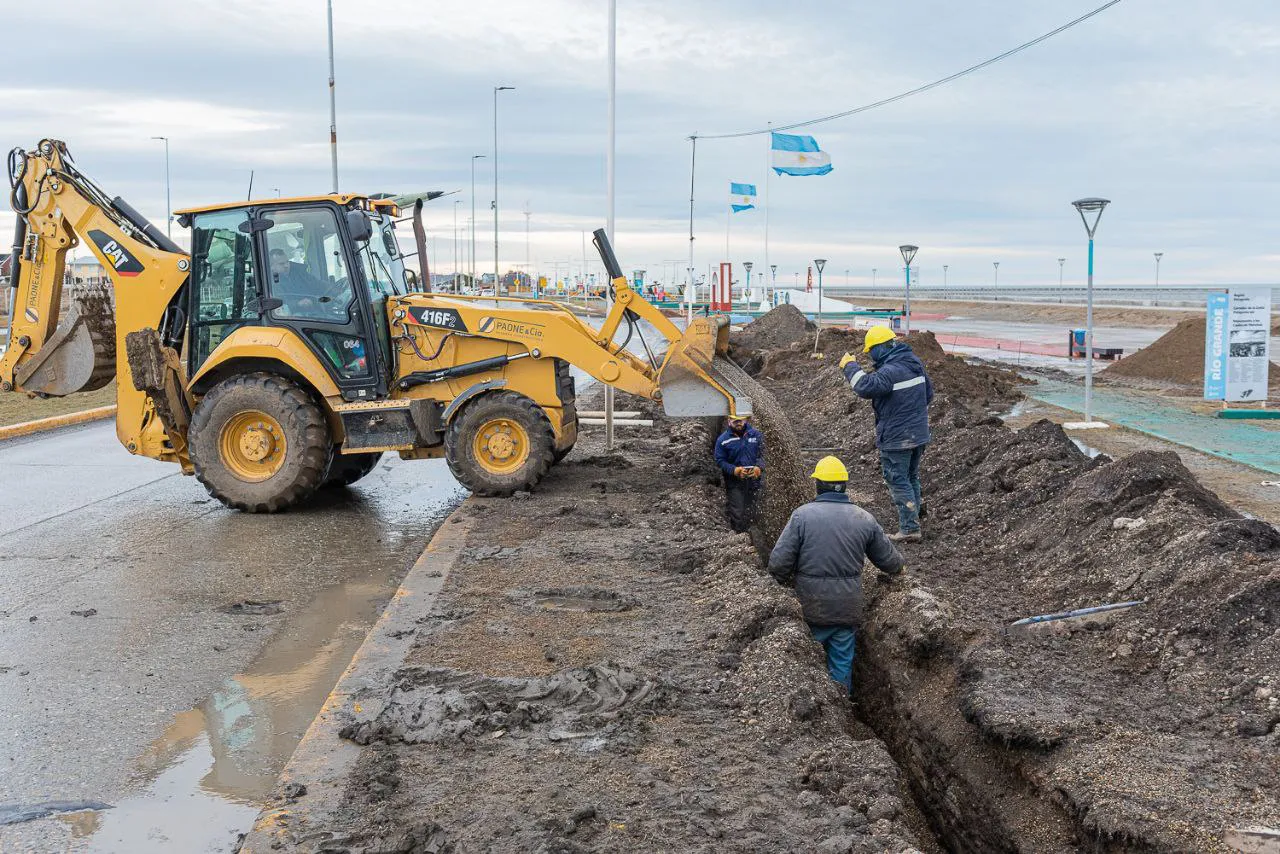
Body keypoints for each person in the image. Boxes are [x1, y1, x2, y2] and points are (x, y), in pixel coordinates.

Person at [768, 456, 904, 696]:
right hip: (847, 608)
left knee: (807, 661)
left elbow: (779, 563)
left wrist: (779, 584)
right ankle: (841, 703)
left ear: (818, 484)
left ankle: (816, 708)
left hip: (811, 606)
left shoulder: (801, 516)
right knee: (841, 663)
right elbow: (891, 563)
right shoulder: (864, 518)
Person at [840, 326, 934, 542]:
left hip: (897, 437)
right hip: (918, 433)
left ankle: (910, 528)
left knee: (898, 479)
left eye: (871, 350)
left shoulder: (889, 372)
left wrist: (850, 366)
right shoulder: (914, 364)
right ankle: (914, 517)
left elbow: (864, 386)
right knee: (911, 476)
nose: (870, 354)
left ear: (881, 348)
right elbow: (928, 395)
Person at [713, 414, 763, 533]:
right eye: (735, 421)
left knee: (754, 509)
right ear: (729, 421)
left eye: (740, 420)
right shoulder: (723, 440)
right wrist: (734, 470)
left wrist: (759, 467)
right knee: (738, 511)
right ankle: (739, 535)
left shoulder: (756, 435)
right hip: (734, 482)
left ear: (745, 419)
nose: (738, 423)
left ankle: (756, 533)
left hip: (754, 480)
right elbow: (720, 460)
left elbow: (763, 454)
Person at [269, 248, 328, 315]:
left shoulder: (300, 273)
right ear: (272, 267)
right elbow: (278, 305)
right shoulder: (269, 283)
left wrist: (335, 290)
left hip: (313, 311)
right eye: (281, 264)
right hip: (291, 318)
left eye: (287, 262)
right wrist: (298, 304)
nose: (286, 266)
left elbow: (318, 284)